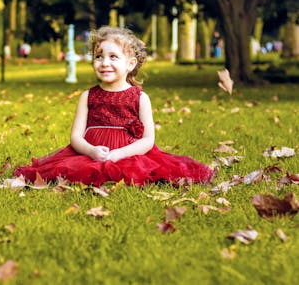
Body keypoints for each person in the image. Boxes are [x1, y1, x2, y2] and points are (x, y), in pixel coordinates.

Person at [14, 26, 214, 187]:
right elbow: (75, 137)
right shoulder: (88, 96)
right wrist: (91, 151)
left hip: (128, 153)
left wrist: (119, 154)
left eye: (113, 57)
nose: (104, 63)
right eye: (99, 56)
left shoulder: (140, 98)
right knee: (72, 170)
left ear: (130, 64)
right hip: (92, 152)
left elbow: (148, 140)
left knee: (136, 172)